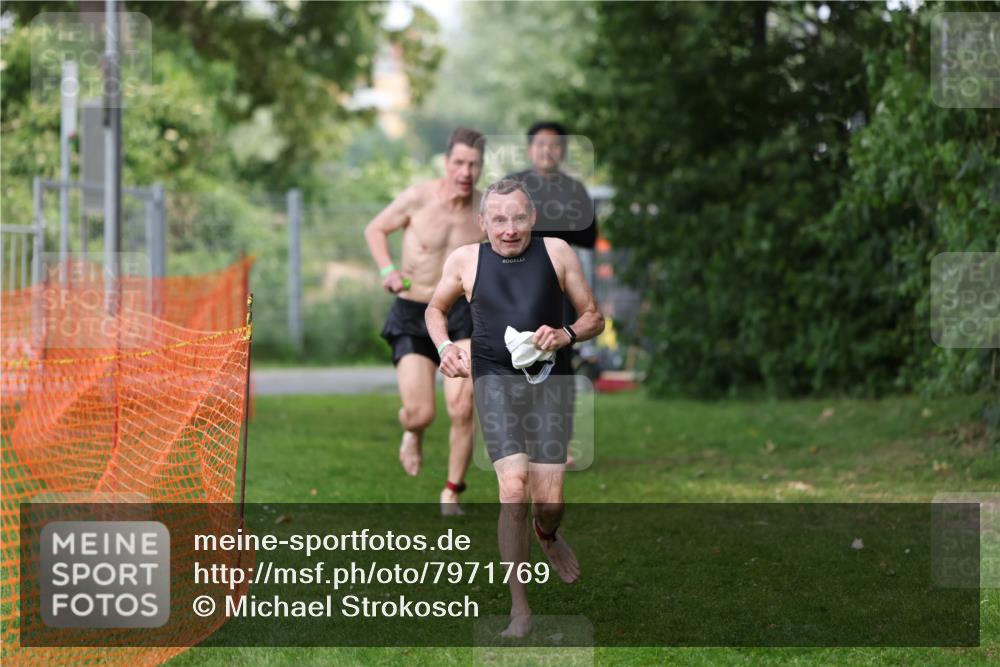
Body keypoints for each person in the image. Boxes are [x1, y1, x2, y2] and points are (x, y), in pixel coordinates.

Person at [425, 178, 605, 637]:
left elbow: (593, 316)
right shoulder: (465, 259)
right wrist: (445, 347)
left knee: (549, 503)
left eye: (518, 218)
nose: (509, 229)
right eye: (499, 220)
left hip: (550, 381)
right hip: (495, 379)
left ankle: (548, 534)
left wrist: (566, 334)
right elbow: (434, 310)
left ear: (533, 219)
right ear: (482, 222)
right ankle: (520, 609)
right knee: (512, 489)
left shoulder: (558, 253)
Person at [363, 127, 486, 515]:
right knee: (421, 413)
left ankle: (452, 491)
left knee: (462, 404)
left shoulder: (485, 210)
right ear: (447, 163)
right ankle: (412, 433)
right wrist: (388, 269)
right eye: (460, 163)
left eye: (474, 164)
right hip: (414, 312)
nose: (466, 171)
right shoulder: (418, 197)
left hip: (463, 315)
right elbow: (375, 229)